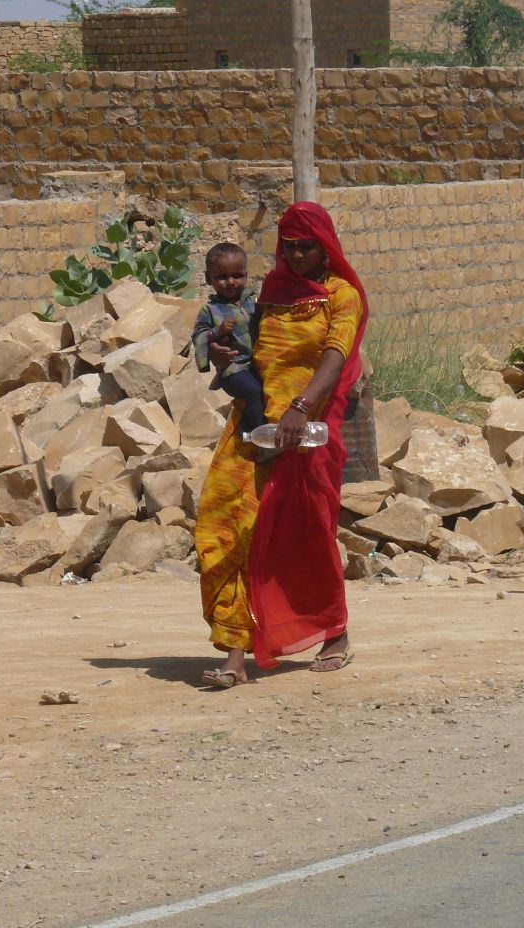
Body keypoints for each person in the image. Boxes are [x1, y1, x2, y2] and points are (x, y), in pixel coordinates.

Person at [194, 203, 367, 687]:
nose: (295, 254)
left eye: (305, 246)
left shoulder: (341, 295)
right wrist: (224, 351)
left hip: (307, 433)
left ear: (325, 245)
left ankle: (335, 632)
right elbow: (247, 343)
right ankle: (234, 654)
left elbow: (335, 357)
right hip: (255, 428)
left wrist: (299, 408)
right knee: (226, 523)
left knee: (306, 533)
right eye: (288, 246)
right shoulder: (270, 291)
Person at [191, 243, 266, 440]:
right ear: (209, 278)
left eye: (237, 276)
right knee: (254, 391)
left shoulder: (254, 302)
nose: (231, 282)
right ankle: (253, 435)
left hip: (257, 365)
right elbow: (198, 335)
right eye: (222, 277)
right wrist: (217, 332)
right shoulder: (210, 310)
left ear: (246, 275)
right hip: (233, 370)